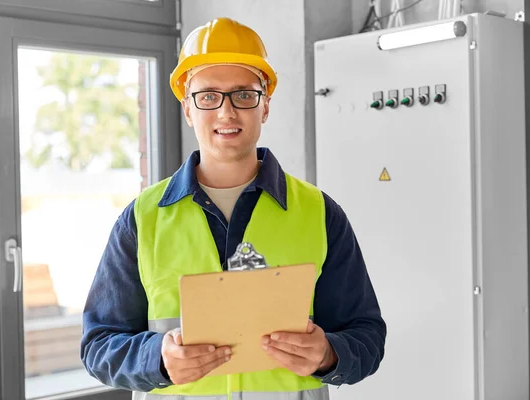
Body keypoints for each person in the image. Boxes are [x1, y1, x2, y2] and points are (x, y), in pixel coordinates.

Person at [81, 17, 386, 400]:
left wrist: (329, 354)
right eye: (208, 96)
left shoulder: (319, 213)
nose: (226, 112)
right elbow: (98, 345)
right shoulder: (142, 219)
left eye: (244, 94)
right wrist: (155, 358)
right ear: (188, 109)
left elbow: (368, 337)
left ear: (266, 106)